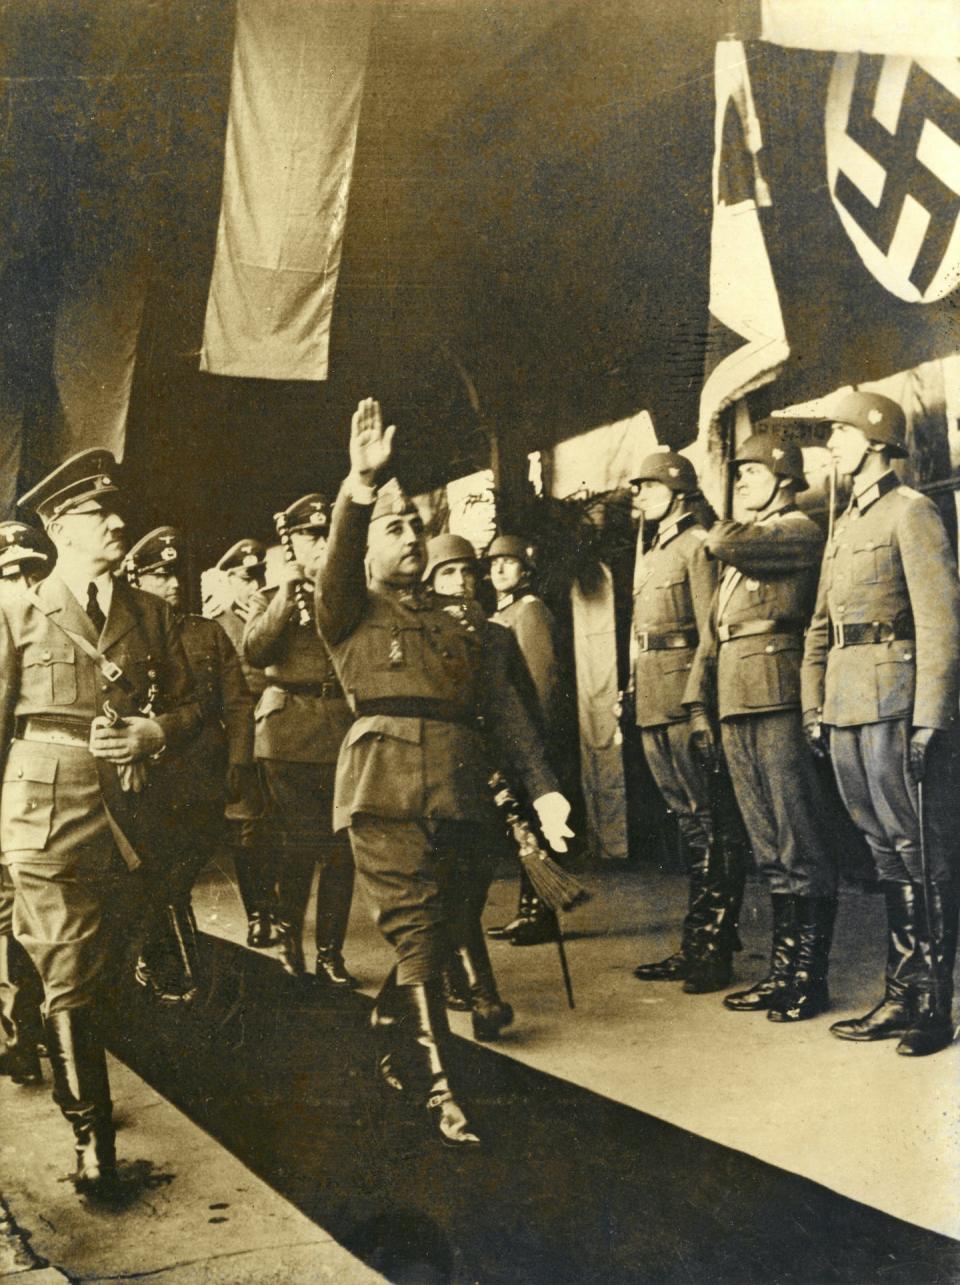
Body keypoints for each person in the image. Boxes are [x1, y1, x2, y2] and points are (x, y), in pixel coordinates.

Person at [315, 398, 573, 1147]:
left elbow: (506, 711)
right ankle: (442, 1092)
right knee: (418, 935)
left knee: (449, 920)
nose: (408, 538)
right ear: (366, 547)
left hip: (463, 794)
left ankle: (392, 1023)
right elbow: (336, 560)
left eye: (413, 527)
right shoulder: (347, 609)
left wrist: (546, 788)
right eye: (391, 528)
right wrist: (359, 490)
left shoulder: (463, 624)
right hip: (383, 790)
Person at [0, 449, 199, 1193]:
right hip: (43, 807)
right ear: (58, 526)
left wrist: (158, 732)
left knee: (110, 966)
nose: (117, 521)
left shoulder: (150, 614)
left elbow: (193, 706)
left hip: (129, 808)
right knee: (66, 966)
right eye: (97, 513)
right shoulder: (16, 609)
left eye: (116, 509)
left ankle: (78, 1092)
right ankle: (94, 1141)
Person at [802, 391, 960, 1056]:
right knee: (880, 848)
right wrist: (814, 703)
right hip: (843, 703)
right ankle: (901, 992)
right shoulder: (844, 522)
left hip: (895, 701)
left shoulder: (912, 510)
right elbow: (820, 625)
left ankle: (930, 1003)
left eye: (836, 433)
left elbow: (940, 623)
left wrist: (929, 718)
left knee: (915, 845)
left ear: (872, 438)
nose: (828, 445)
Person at [687, 436, 837, 1022]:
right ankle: (783, 973)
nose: (740, 482)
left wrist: (713, 513)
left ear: (781, 478)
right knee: (770, 846)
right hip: (739, 702)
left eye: (750, 472)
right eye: (738, 472)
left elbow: (722, 538)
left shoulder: (794, 530)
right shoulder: (753, 541)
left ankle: (808, 978)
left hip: (777, 697)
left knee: (800, 840)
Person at [626, 450, 742, 994]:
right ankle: (699, 942)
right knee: (688, 823)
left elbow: (710, 633)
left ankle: (712, 948)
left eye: (647, 487)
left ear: (677, 492)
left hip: (683, 698)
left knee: (708, 821)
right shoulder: (653, 551)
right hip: (652, 697)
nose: (639, 496)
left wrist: (699, 707)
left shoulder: (698, 547)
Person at [122, 527, 254, 1002]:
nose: (172, 584)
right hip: (149, 776)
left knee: (183, 867)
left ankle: (160, 954)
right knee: (165, 874)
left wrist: (239, 760)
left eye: (173, 574)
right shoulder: (126, 634)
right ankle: (181, 966)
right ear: (135, 580)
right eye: (159, 576)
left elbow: (237, 701)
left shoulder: (206, 631)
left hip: (201, 774)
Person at [242, 496, 357, 986]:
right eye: (310, 536)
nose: (321, 543)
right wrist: (287, 595)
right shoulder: (273, 596)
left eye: (325, 534)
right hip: (288, 733)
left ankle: (330, 953)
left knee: (342, 849)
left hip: (343, 730)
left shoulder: (349, 592)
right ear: (290, 543)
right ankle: (290, 936)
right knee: (298, 844)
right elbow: (255, 650)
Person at [421, 533, 517, 1039]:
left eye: (466, 573)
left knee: (471, 883)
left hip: (486, 777)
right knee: (450, 883)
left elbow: (519, 708)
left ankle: (454, 973)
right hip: (436, 775)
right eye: (447, 574)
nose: (460, 583)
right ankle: (483, 993)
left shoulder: (497, 635)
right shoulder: (419, 637)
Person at [485, 534, 565, 946]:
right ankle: (528, 911)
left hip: (529, 734)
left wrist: (536, 737)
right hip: (508, 736)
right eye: (494, 562)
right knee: (522, 825)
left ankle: (541, 913)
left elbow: (542, 681)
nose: (499, 569)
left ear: (526, 570)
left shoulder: (530, 611)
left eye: (508, 562)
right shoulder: (503, 612)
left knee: (533, 823)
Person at [206, 539, 277, 949]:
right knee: (249, 825)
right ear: (229, 580)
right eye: (247, 577)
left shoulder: (271, 614)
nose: (256, 585)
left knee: (278, 824)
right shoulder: (216, 624)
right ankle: (259, 915)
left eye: (260, 576)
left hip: (280, 732)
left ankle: (277, 906)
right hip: (243, 734)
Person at [0, 521, 50, 1084]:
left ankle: (30, 1034)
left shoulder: (59, 628)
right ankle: (18, 1037)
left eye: (32, 572)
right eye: (9, 574)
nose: (21, 584)